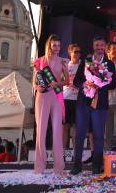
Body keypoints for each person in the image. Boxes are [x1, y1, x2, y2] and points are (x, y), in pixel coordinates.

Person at [71, 36, 116, 175]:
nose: (99, 48)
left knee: (98, 135)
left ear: (105, 47)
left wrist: (99, 84)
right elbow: (77, 80)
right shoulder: (86, 61)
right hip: (83, 102)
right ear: (93, 46)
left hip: (100, 104)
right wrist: (85, 84)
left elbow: (113, 84)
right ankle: (76, 165)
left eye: (102, 45)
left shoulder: (110, 64)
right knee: (80, 135)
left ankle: (96, 166)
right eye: (97, 45)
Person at [33, 34, 69, 175]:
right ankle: (39, 167)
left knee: (57, 131)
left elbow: (67, 81)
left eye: (59, 46)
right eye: (54, 45)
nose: (57, 48)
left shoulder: (63, 61)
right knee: (41, 131)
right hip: (42, 97)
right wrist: (38, 88)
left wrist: (56, 83)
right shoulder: (39, 61)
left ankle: (59, 168)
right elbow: (34, 82)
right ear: (49, 45)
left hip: (57, 96)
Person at [63, 43, 82, 149]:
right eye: (75, 52)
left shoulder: (83, 66)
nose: (78, 54)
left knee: (76, 126)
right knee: (65, 127)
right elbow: (58, 82)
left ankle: (76, 152)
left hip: (78, 99)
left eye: (79, 52)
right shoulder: (65, 65)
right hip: (66, 99)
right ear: (70, 52)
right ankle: (62, 152)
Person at [105, 41, 116, 149]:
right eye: (113, 49)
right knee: (107, 128)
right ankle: (106, 151)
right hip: (105, 101)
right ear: (108, 51)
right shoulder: (103, 65)